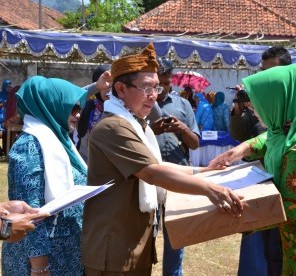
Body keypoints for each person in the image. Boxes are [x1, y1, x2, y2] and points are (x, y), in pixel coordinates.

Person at [81, 43, 243, 275]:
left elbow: (157, 166)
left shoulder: (135, 122)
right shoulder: (114, 127)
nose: (153, 97)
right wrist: (209, 188)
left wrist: (204, 171)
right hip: (114, 246)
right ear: (121, 89)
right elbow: (152, 173)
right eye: (146, 88)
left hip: (131, 240)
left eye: (156, 88)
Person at [210, 64, 296, 275]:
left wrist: (221, 218)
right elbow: (271, 137)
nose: (255, 112)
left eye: (259, 104)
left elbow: (286, 209)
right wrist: (238, 150)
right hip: (292, 245)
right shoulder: (293, 126)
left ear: (278, 99)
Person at [2, 76, 88, 275]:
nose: (78, 114)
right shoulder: (28, 147)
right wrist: (40, 268)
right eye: (72, 109)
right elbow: (30, 214)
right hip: (43, 262)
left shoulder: (60, 142)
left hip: (66, 256)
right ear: (51, 106)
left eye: (79, 109)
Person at [232, 45, 292, 276]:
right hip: (259, 190)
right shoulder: (258, 101)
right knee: (262, 256)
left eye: (271, 72)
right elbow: (240, 133)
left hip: (287, 201)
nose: (265, 78)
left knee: (278, 258)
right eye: (262, 71)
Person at [146, 56, 200, 276]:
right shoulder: (141, 104)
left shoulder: (183, 104)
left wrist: (182, 129)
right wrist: (152, 130)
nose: (164, 88)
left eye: (168, 83)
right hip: (149, 178)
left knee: (176, 237)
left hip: (178, 177)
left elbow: (195, 143)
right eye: (160, 84)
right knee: (145, 235)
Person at [76, 65, 111, 162]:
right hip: (85, 170)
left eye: (114, 85)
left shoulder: (127, 110)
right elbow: (70, 99)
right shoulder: (86, 107)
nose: (109, 90)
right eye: (106, 84)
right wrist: (95, 87)